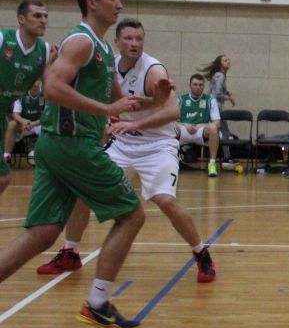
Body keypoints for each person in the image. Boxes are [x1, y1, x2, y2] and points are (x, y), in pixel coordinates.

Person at [0, 0, 166, 328]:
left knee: (44, 233)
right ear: (92, 3)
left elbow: (121, 100)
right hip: (73, 143)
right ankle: (97, 303)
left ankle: (97, 303)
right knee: (132, 215)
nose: (119, 4)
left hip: (59, 145)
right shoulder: (81, 41)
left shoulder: (102, 48)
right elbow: (53, 87)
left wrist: (158, 99)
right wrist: (106, 111)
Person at [40, 20, 217, 282]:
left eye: (139, 39)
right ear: (117, 42)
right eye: (129, 39)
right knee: (81, 193)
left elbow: (173, 111)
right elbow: (113, 101)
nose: (134, 44)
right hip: (123, 144)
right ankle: (70, 251)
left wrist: (135, 123)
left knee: (165, 201)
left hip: (157, 146)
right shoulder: (109, 66)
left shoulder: (153, 70)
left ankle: (201, 252)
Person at [0, 1, 54, 199]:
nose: (43, 20)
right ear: (21, 19)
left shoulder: (45, 50)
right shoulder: (3, 39)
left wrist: (56, 63)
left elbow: (50, 91)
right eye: (37, 16)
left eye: (45, 16)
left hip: (1, 115)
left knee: (3, 179)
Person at [177, 72, 221, 178]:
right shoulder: (181, 100)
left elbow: (217, 122)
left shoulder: (210, 100)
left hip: (201, 131)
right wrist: (186, 125)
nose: (198, 87)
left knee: (213, 128)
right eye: (195, 84)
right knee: (170, 127)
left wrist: (200, 126)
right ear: (190, 85)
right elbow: (171, 121)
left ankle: (212, 164)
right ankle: (171, 161)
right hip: (184, 130)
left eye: (200, 85)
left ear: (203, 86)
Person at [5, 84, 45, 167]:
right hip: (25, 125)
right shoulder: (21, 93)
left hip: (40, 125)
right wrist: (23, 121)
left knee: (50, 125)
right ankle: (6, 157)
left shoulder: (46, 92)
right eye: (32, 81)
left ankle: (36, 153)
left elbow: (48, 115)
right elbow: (15, 114)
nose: (35, 84)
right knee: (12, 124)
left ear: (40, 80)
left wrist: (33, 124)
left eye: (37, 80)